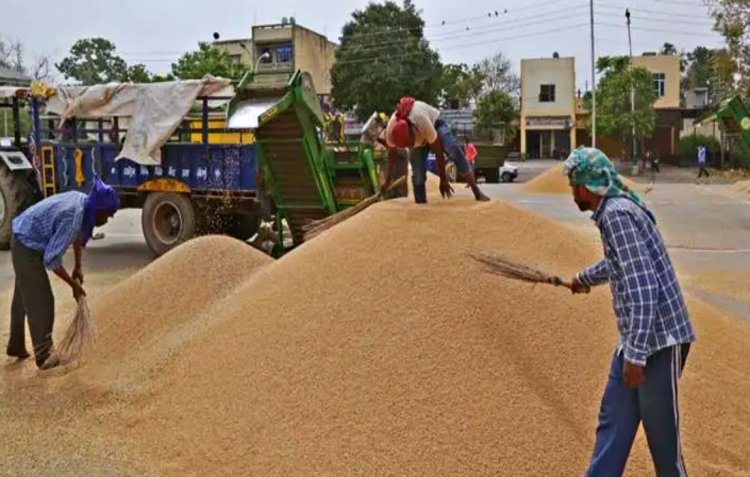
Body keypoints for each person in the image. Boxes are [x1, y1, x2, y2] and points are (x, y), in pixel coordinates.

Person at [564, 147, 695, 477]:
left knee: (664, 444)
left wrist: (635, 356)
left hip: (659, 342)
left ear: (586, 186)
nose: (572, 192)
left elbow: (643, 287)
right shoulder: (613, 211)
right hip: (637, 339)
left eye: (573, 184)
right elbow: (621, 264)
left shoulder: (616, 215)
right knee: (613, 426)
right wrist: (584, 278)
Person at [6, 177, 119, 369]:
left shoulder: (82, 201)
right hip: (26, 245)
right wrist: (73, 285)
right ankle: (44, 357)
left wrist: (78, 266)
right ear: (98, 211)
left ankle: (16, 346)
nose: (106, 220)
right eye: (106, 216)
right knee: (42, 300)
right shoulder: (72, 216)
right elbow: (52, 260)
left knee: (24, 296)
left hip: (24, 236)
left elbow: (76, 236)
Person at [380, 97, 490, 203]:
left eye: (410, 143)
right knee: (417, 172)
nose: (410, 147)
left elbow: (438, 151)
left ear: (412, 128)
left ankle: (477, 191)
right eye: (407, 146)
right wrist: (387, 179)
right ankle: (421, 204)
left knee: (452, 149)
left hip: (435, 124)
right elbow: (391, 155)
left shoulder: (420, 119)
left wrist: (443, 179)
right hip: (421, 139)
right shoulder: (390, 132)